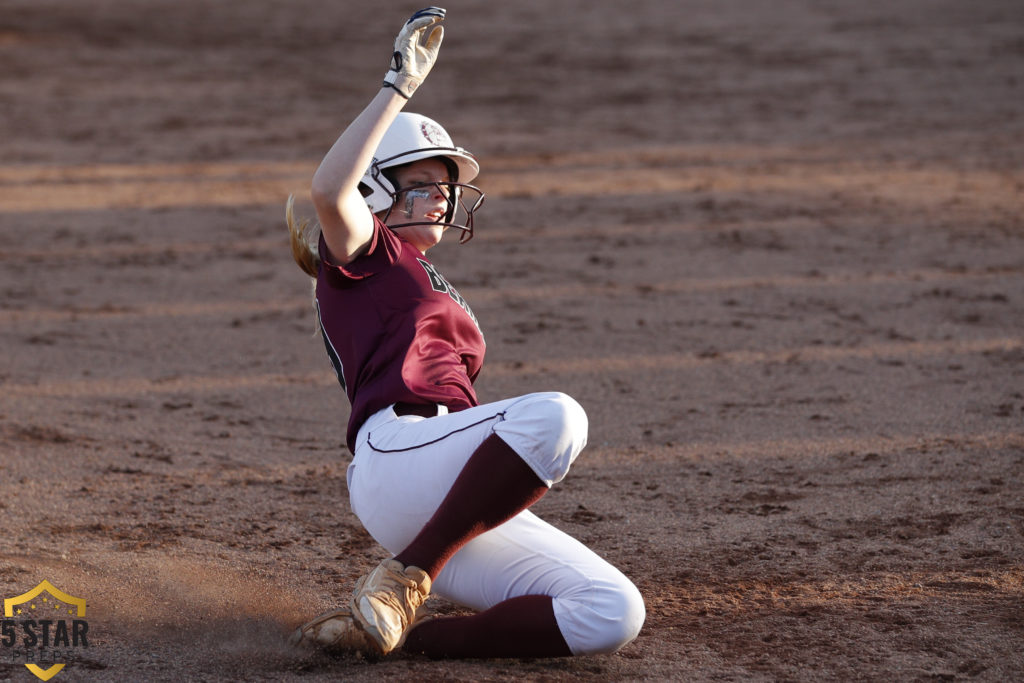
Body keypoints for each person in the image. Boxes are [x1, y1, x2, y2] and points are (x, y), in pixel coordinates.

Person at [286, 6, 645, 659]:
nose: (444, 197)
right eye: (422, 183)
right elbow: (329, 189)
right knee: (557, 416)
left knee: (612, 610)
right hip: (399, 451)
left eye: (446, 187)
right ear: (374, 192)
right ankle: (406, 577)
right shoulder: (374, 252)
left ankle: (393, 634)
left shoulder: (418, 271)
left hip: (446, 485)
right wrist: (398, 86)